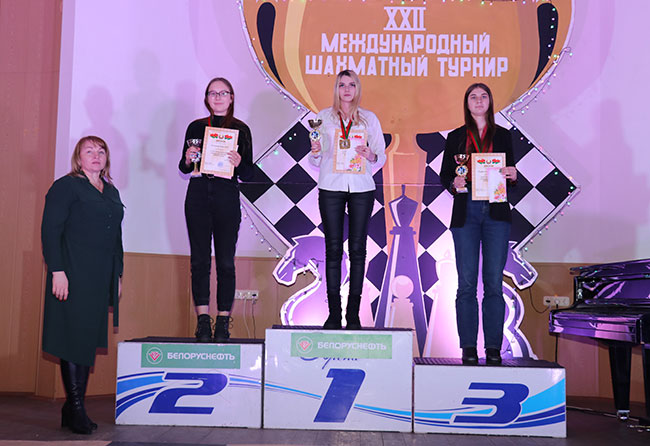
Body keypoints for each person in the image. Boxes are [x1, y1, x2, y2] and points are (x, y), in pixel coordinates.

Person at [41, 136, 124, 434]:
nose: (96, 155)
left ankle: (72, 407)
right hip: (72, 273)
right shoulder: (66, 186)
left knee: (86, 338)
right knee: (72, 338)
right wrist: (57, 271)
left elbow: (116, 237)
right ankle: (76, 408)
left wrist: (118, 275)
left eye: (101, 151)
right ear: (78, 158)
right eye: (89, 151)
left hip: (100, 277)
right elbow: (50, 231)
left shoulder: (111, 191)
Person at [440, 83, 517, 366]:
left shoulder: (504, 135)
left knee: (494, 283)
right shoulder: (456, 137)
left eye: (484, 96)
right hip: (466, 212)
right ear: (467, 103)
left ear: (490, 102)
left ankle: (494, 348)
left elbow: (511, 172)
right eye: (473, 96)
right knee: (466, 284)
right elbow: (445, 175)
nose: (479, 100)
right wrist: (454, 182)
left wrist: (512, 174)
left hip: (496, 212)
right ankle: (468, 347)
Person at [309, 69, 386, 329]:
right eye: (342, 85)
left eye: (351, 85)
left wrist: (370, 155)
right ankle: (334, 314)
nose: (347, 89)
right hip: (331, 186)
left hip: (362, 188)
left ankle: (353, 314)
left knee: (358, 250)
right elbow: (315, 159)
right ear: (336, 89)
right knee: (332, 248)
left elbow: (381, 155)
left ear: (357, 89)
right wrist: (316, 151)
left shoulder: (369, 119)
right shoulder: (323, 118)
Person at [179, 77, 254, 342]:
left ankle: (222, 320)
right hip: (198, 194)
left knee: (225, 261)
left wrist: (239, 161)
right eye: (213, 93)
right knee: (199, 260)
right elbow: (184, 167)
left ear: (231, 98)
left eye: (223, 93)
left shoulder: (241, 129)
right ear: (206, 98)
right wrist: (187, 159)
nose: (218, 97)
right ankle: (202, 321)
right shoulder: (196, 126)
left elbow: (248, 173)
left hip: (226, 195)